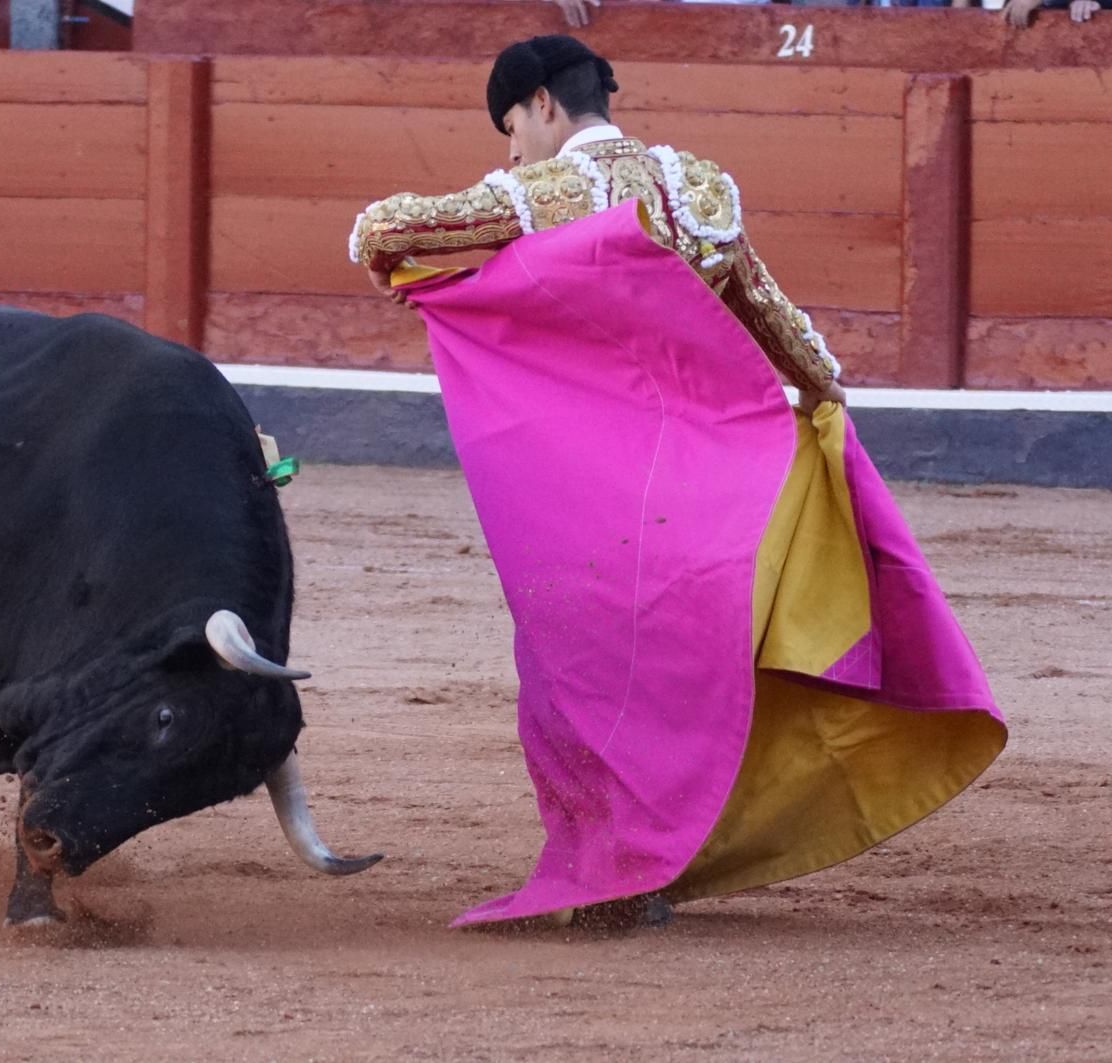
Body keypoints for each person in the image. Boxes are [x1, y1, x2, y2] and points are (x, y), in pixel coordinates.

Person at [349, 35, 1006, 930]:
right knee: (692, 681)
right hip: (713, 503)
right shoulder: (699, 190)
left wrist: (425, 271)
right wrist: (825, 411)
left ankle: (620, 871)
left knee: (579, 688)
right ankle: (663, 860)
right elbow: (787, 335)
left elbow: (381, 229)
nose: (508, 151)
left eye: (510, 127)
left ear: (542, 105)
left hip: (597, 507)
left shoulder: (543, 194)